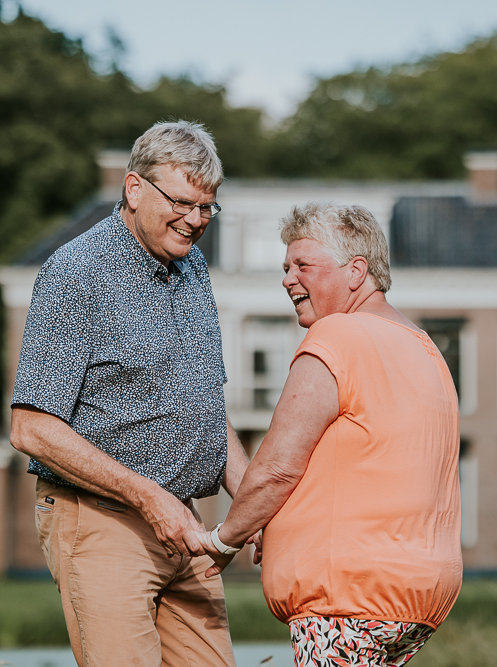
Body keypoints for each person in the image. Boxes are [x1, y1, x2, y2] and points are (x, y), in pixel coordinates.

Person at [9, 121, 248, 667]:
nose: (196, 220)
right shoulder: (75, 274)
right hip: (100, 521)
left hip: (182, 528)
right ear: (134, 188)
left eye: (208, 207)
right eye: (183, 202)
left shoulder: (194, 270)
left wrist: (254, 508)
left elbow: (207, 412)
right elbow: (31, 427)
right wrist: (148, 496)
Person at [196, 202, 463, 667]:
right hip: (421, 598)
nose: (287, 278)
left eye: (302, 265)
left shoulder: (337, 335)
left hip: (347, 598)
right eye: (285, 267)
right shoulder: (424, 347)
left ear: (356, 271)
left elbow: (277, 468)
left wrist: (223, 540)